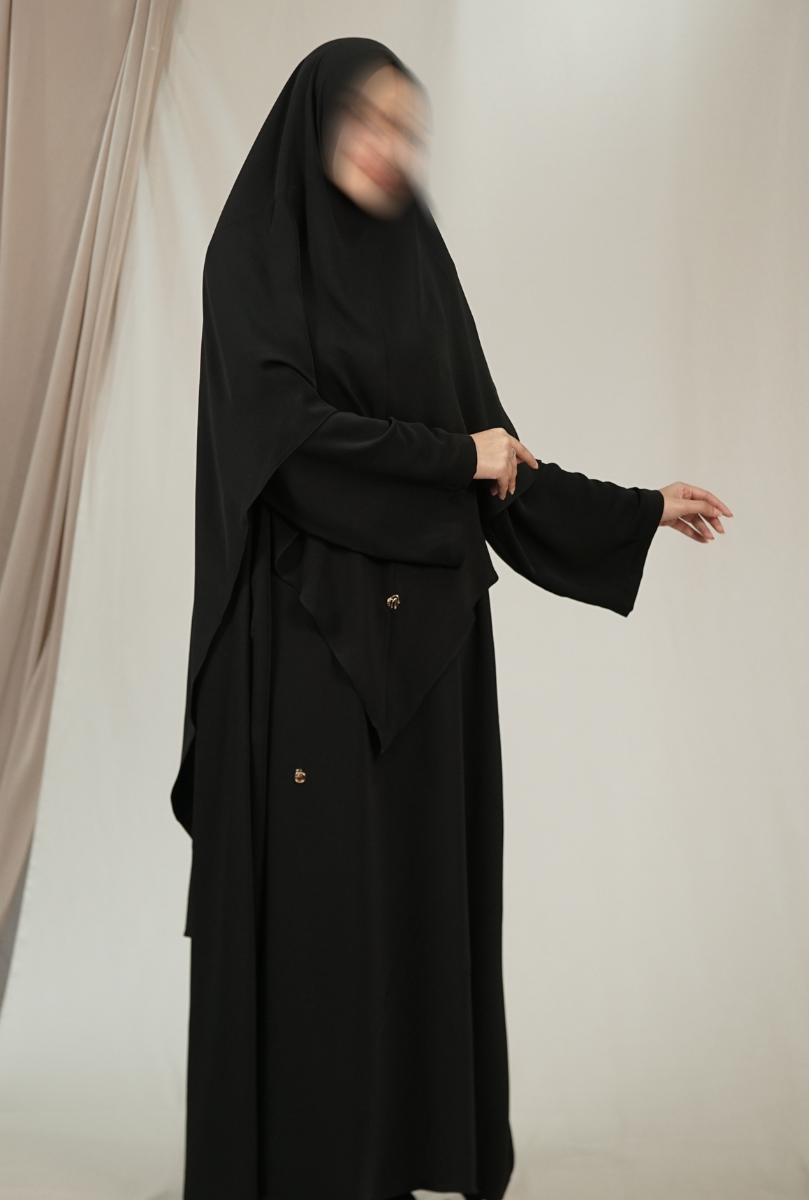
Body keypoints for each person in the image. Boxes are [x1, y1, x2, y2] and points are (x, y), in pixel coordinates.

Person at [170, 37, 731, 1200]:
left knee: (411, 918)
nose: (388, 147)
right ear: (316, 124)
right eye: (366, 120)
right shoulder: (254, 254)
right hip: (307, 647)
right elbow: (287, 445)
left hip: (429, 661)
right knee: (322, 913)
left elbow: (497, 458)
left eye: (405, 128)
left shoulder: (416, 264)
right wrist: (449, 459)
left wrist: (636, 508)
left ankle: (394, 1158)